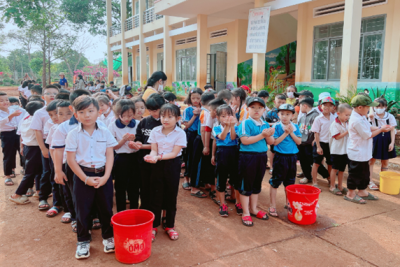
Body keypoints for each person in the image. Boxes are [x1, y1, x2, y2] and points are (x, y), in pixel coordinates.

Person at [65, 96, 117, 259]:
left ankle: (108, 237)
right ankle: (83, 240)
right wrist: (85, 179)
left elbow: (110, 155)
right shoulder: (73, 134)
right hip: (82, 176)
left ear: (99, 112)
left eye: (90, 111)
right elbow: (71, 160)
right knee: (82, 209)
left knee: (106, 208)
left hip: (103, 175)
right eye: (82, 112)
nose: (87, 115)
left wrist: (106, 176)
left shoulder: (105, 131)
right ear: (76, 115)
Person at [145, 104, 187, 242]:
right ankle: (154, 226)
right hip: (156, 165)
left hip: (172, 165)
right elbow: (154, 149)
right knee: (155, 195)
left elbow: (175, 153)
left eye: (170, 116)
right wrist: (152, 156)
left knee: (171, 195)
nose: (165, 119)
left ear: (178, 118)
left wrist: (158, 157)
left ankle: (170, 225)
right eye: (163, 116)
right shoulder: (155, 131)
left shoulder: (180, 133)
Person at [345, 95, 392, 204]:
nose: (370, 110)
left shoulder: (361, 116)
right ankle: (350, 194)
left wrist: (381, 128)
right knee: (355, 174)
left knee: (364, 173)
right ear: (360, 107)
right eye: (368, 107)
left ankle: (362, 191)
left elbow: (368, 127)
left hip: (364, 152)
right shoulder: (356, 120)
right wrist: (381, 130)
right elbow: (367, 135)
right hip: (357, 153)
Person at [237, 97, 275, 226]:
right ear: (247, 109)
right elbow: (245, 141)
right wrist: (263, 135)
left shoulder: (264, 124)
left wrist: (269, 134)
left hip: (261, 156)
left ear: (264, 109)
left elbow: (271, 142)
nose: (256, 110)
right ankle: (245, 212)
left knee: (256, 184)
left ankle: (253, 209)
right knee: (246, 184)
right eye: (253, 107)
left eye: (259, 107)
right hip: (248, 157)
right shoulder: (245, 123)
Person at [132, 94, 165, 211]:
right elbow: (139, 137)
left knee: (158, 186)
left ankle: (158, 209)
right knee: (144, 185)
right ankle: (145, 207)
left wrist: (142, 147)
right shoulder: (144, 122)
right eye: (150, 110)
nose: (153, 113)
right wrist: (137, 143)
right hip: (144, 161)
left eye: (155, 110)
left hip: (160, 161)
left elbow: (163, 145)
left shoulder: (166, 123)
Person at [269, 104, 301, 217]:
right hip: (280, 157)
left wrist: (291, 132)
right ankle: (272, 205)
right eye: (282, 114)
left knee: (290, 182)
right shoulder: (276, 127)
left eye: (288, 114)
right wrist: (286, 133)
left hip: (292, 158)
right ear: (278, 114)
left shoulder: (295, 126)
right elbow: (275, 142)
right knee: (275, 182)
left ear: (292, 115)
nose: (284, 116)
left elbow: (299, 142)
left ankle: (288, 203)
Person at [9, 101, 44, 204]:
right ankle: (17, 194)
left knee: (38, 171)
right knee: (30, 173)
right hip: (35, 148)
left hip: (28, 147)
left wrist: (21, 147)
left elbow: (20, 134)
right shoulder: (37, 120)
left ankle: (38, 190)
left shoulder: (25, 118)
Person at [30, 85, 59, 210]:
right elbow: (37, 131)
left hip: (61, 145)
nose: (52, 95)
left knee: (59, 172)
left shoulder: (65, 111)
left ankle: (59, 201)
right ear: (43, 97)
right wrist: (43, 148)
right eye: (48, 93)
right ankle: (43, 197)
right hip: (48, 144)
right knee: (47, 171)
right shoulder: (40, 113)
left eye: (54, 93)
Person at [108, 100, 140, 211]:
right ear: (118, 114)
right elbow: (114, 146)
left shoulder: (137, 124)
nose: (127, 118)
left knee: (134, 185)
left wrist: (135, 141)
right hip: (120, 159)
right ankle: (121, 211)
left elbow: (140, 141)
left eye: (130, 115)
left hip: (135, 158)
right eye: (124, 115)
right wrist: (123, 140)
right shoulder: (113, 126)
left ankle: (134, 209)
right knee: (120, 186)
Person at [212, 104, 239, 216]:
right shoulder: (216, 128)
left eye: (229, 115)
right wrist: (213, 155)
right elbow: (222, 137)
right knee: (221, 178)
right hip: (222, 154)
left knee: (235, 179)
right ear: (218, 117)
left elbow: (233, 138)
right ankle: (222, 204)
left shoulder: (236, 127)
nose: (226, 118)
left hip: (234, 153)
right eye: (223, 116)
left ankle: (237, 202)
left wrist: (232, 126)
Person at [189, 92, 215, 198]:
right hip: (202, 140)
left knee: (205, 163)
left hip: (205, 140)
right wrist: (205, 145)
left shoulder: (206, 111)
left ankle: (204, 182)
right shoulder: (206, 112)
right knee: (198, 163)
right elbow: (203, 130)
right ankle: (194, 187)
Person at [369, 97, 398, 190]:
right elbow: (369, 120)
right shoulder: (372, 116)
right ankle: (370, 181)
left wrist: (392, 143)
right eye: (376, 106)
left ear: (385, 107)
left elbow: (392, 130)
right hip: (375, 138)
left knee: (385, 161)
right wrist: (371, 108)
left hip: (387, 139)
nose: (378, 108)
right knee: (371, 160)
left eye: (381, 106)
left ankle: (383, 182)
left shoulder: (390, 116)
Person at [310, 96, 336, 189]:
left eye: (330, 105)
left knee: (330, 163)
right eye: (325, 105)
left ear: (333, 107)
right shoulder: (318, 118)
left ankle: (330, 179)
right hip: (320, 143)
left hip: (331, 144)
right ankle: (314, 182)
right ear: (321, 106)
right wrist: (318, 146)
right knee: (316, 163)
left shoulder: (334, 118)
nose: (327, 107)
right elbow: (316, 133)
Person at [0, 91, 24, 186]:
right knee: (8, 154)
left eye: (6, 100)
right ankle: (8, 175)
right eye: (1, 100)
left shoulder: (12, 109)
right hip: (6, 135)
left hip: (17, 133)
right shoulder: (11, 112)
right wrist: (11, 116)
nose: (5, 102)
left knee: (22, 152)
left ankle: (25, 170)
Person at [329, 103, 352, 195]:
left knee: (342, 170)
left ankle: (340, 186)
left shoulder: (347, 123)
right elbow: (337, 137)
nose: (348, 117)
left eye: (349, 115)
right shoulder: (334, 124)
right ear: (338, 113)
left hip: (345, 151)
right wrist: (348, 131)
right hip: (336, 151)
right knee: (334, 169)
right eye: (346, 115)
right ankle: (332, 186)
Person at [182, 88, 203, 190]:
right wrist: (195, 116)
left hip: (201, 136)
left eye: (198, 98)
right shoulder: (188, 110)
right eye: (193, 98)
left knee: (198, 159)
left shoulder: (204, 109)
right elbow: (186, 126)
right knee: (189, 157)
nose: (195, 100)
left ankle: (198, 180)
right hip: (191, 135)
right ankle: (186, 179)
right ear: (189, 98)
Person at [297, 97, 320, 184]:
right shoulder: (303, 116)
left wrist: (314, 140)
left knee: (314, 161)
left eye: (300, 106)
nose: (299, 108)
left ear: (305, 105)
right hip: (301, 143)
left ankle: (327, 176)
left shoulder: (315, 116)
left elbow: (317, 130)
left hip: (310, 144)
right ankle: (307, 176)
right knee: (303, 161)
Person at [265, 94, 287, 175]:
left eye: (283, 102)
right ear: (275, 102)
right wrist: (275, 124)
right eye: (279, 102)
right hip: (274, 135)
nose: (281, 104)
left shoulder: (287, 112)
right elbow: (266, 124)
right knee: (273, 151)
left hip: (284, 135)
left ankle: (282, 167)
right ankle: (272, 167)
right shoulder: (270, 113)